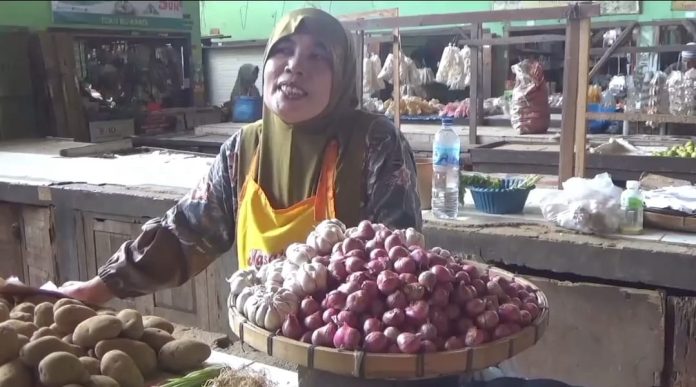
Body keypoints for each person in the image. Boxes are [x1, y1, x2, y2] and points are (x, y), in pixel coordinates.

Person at [59, 8, 421, 306]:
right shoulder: (242, 150)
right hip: (265, 343)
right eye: (284, 50)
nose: (295, 66)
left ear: (341, 76)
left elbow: (398, 264)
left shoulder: (374, 142)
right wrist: (99, 287)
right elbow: (185, 231)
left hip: (351, 351)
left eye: (318, 55)